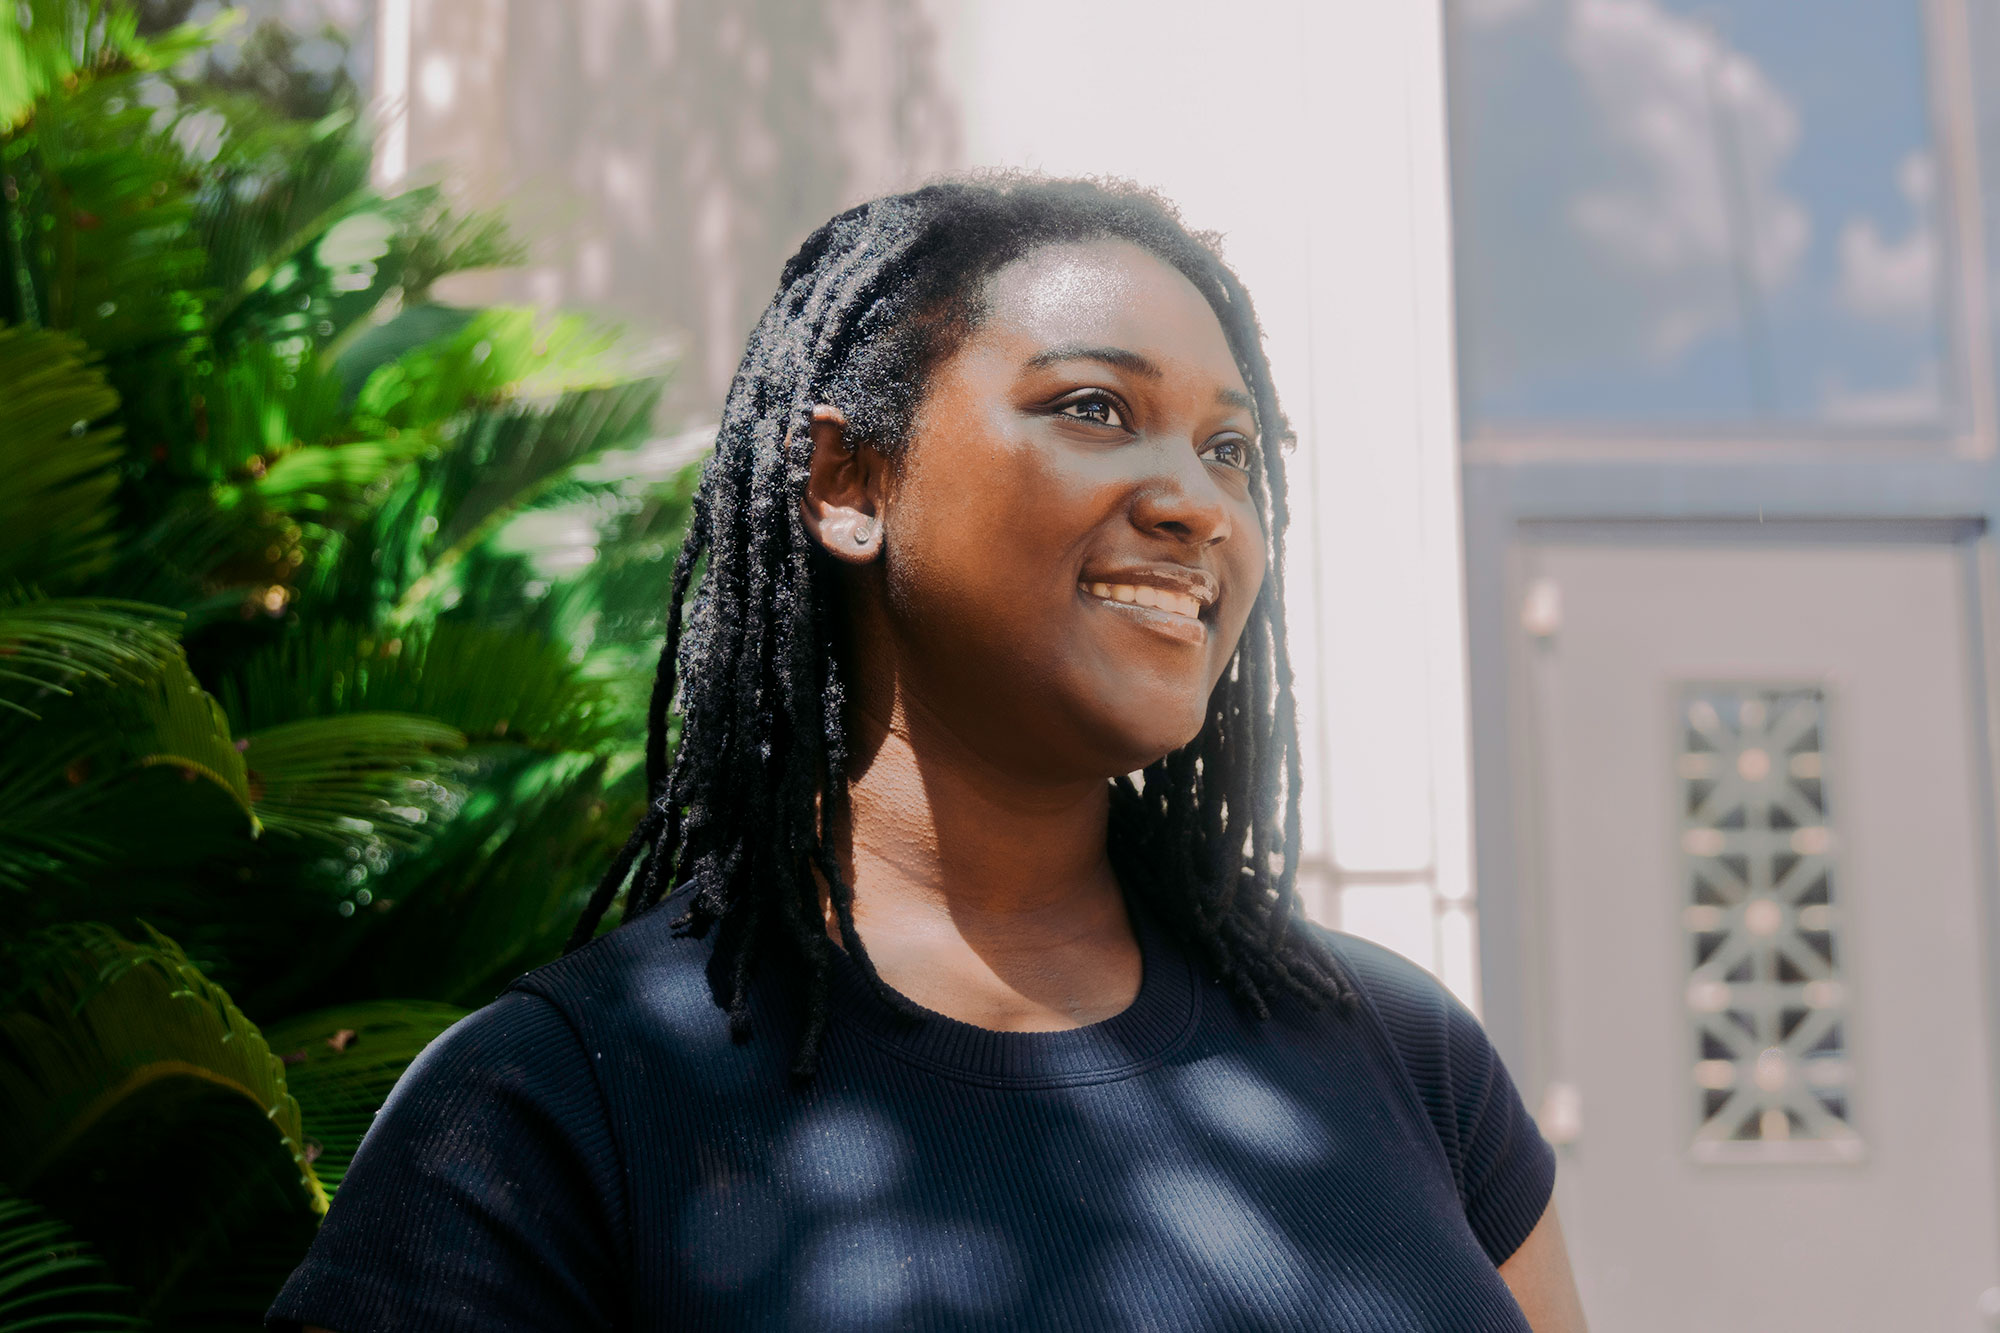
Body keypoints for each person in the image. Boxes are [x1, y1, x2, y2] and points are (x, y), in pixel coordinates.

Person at [268, 176, 1588, 1332]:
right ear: (848, 483)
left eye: (1231, 449)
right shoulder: (563, 1105)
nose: (1197, 502)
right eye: (1093, 405)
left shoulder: (1404, 1050)